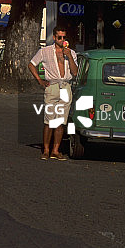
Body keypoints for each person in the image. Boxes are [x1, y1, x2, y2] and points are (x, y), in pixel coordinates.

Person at [29, 26, 78, 161]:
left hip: (66, 86)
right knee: (49, 121)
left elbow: (75, 72)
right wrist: (40, 80)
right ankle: (46, 150)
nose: (62, 40)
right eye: (59, 37)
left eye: (64, 37)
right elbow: (31, 64)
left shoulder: (71, 53)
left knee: (61, 121)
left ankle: (55, 150)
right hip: (52, 87)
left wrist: (69, 56)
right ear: (54, 38)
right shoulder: (45, 51)